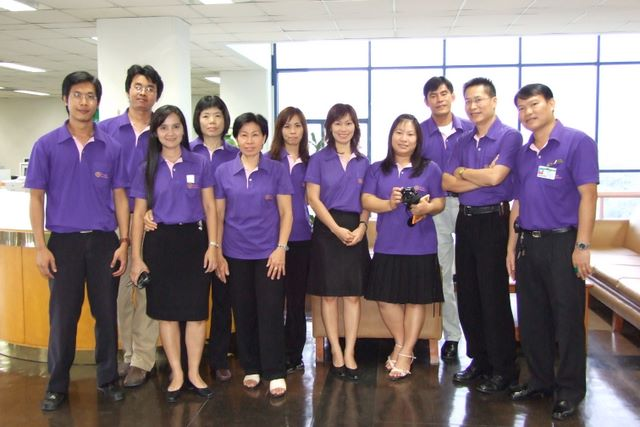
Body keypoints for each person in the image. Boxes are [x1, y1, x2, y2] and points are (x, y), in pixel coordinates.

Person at [26, 71, 129, 411]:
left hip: (103, 242)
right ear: (65, 99)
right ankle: (56, 386)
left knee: (106, 315)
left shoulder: (111, 147)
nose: (84, 102)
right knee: (63, 318)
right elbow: (36, 198)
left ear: (97, 102)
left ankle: (108, 379)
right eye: (77, 95)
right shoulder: (46, 145)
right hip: (64, 244)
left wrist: (124, 242)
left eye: (90, 96)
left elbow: (120, 197)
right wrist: (41, 247)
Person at [507, 84, 598, 420]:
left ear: (551, 104)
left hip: (563, 244)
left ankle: (570, 390)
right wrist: (510, 247)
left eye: (534, 104)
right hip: (528, 243)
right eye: (522, 108)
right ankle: (539, 381)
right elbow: (518, 202)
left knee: (567, 320)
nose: (528, 112)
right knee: (532, 318)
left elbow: (588, 195)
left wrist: (582, 246)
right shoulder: (523, 152)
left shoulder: (577, 142)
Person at [129, 105, 218, 403]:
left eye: (176, 126)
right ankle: (177, 374)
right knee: (166, 315)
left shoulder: (199, 163)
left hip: (194, 242)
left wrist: (213, 245)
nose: (170, 133)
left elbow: (210, 208)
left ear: (184, 130)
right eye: (164, 127)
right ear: (155, 132)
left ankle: (194, 373)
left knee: (196, 313)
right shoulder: (146, 168)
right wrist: (136, 258)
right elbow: (138, 215)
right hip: (160, 244)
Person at [442, 77, 521, 393]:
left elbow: (497, 177)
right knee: (469, 295)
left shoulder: (509, 137)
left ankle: (503, 368)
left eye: (479, 99)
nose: (473, 106)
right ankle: (479, 360)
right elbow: (447, 182)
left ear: (493, 101)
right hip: (466, 220)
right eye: (468, 100)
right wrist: (480, 176)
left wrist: (466, 173)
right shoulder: (461, 140)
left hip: (493, 221)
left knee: (493, 296)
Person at [214, 112, 293, 398]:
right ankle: (251, 367)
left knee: (271, 311)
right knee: (243, 311)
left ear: (264, 138)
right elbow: (218, 215)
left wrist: (281, 248)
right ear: (236, 137)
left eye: (255, 134)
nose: (249, 140)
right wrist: (218, 251)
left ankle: (275, 371)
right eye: (244, 135)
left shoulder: (277, 170)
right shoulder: (223, 171)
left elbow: (286, 213)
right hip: (235, 253)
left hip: (269, 255)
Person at [362, 114, 446, 379]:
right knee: (385, 299)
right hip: (387, 244)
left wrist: (425, 208)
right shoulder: (377, 169)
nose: (404, 138)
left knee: (415, 300)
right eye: (399, 132)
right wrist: (389, 203)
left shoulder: (430, 169)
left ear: (417, 139)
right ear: (391, 136)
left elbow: (440, 202)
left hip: (421, 245)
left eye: (410, 134)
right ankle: (400, 343)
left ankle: (407, 352)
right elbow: (366, 200)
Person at [98, 64, 164, 387]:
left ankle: (143, 359)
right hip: (114, 224)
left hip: (150, 223)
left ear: (156, 95)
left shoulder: (163, 131)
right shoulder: (107, 130)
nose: (143, 93)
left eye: (150, 88)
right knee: (121, 294)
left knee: (147, 291)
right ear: (128, 90)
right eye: (138, 86)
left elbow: (170, 176)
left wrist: (155, 209)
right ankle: (127, 354)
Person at [305, 103, 370, 381]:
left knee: (353, 296)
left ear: (355, 127)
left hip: (355, 229)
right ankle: (336, 352)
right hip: (327, 231)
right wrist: (335, 229)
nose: (343, 129)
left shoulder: (363, 162)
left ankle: (351, 351)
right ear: (329, 127)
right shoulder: (319, 159)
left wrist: (362, 227)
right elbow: (313, 198)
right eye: (338, 123)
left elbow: (367, 201)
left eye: (348, 123)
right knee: (330, 296)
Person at [420, 76, 473, 362]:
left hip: (469, 205)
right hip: (435, 207)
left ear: (452, 97)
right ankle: (452, 337)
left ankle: (478, 340)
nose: (439, 99)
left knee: (471, 274)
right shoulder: (419, 132)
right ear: (426, 101)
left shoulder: (471, 129)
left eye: (443, 93)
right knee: (442, 274)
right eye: (433, 95)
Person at [268, 106, 312, 373]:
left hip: (302, 238)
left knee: (296, 302)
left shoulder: (312, 162)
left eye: (297, 126)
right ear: (279, 130)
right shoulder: (269, 161)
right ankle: (274, 352)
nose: (293, 132)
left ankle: (294, 355)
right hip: (271, 241)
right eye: (287, 126)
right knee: (273, 300)